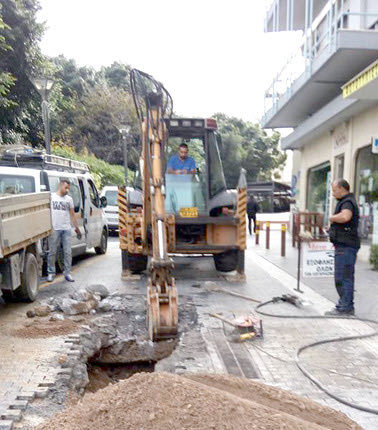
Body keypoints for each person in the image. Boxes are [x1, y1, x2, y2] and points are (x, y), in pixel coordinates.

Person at [325, 179, 360, 316]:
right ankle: (345, 305)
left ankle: (345, 308)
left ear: (342, 189)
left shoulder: (347, 202)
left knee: (343, 277)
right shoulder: (347, 201)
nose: (333, 194)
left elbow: (345, 217)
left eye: (334, 190)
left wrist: (332, 218)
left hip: (346, 247)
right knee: (344, 277)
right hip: (344, 246)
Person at [47, 178, 81, 282]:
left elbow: (72, 215)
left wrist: (76, 228)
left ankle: (67, 273)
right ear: (61, 185)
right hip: (55, 228)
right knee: (52, 251)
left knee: (67, 252)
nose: (67, 190)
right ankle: (51, 272)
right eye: (66, 187)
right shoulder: (52, 197)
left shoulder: (69, 199)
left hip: (66, 228)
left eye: (68, 188)